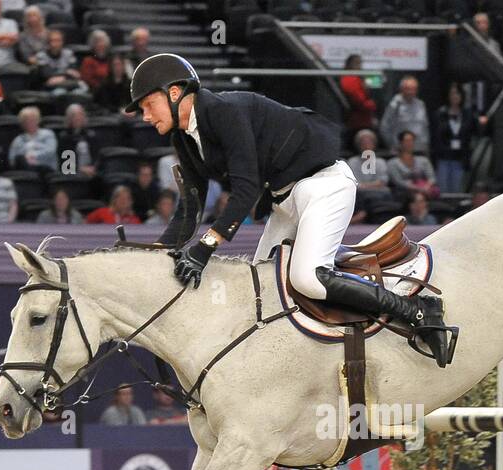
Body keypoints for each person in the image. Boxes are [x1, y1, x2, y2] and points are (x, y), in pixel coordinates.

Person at [127, 53, 453, 366]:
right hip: (287, 200)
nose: (145, 116)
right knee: (261, 290)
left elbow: (246, 188)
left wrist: (206, 246)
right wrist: (158, 252)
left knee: (308, 278)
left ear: (174, 92)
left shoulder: (223, 111)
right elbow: (191, 203)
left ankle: (418, 310)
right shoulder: (185, 137)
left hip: (325, 185)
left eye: (148, 105)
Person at [432, 83, 477, 194]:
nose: (455, 96)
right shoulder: (440, 113)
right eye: (452, 93)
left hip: (460, 158)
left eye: (457, 93)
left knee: (458, 190)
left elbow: (473, 133)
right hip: (444, 157)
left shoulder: (468, 114)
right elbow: (436, 136)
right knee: (443, 190)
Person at [378, 75, 430, 154]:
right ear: (401, 89)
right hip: (400, 149)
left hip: (419, 149)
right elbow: (384, 127)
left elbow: (425, 127)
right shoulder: (394, 105)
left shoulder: (421, 104)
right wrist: (392, 145)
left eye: (414, 89)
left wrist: (426, 145)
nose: (411, 92)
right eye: (408, 89)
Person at [386, 129, 438, 200]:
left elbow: (432, 178)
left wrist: (426, 187)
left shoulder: (424, 160)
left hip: (426, 191)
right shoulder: (392, 163)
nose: (410, 143)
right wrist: (418, 189)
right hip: (404, 193)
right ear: (400, 143)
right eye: (407, 141)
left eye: (412, 140)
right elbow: (398, 182)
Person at [7, 104, 57, 172]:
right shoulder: (18, 140)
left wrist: (32, 156)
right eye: (26, 121)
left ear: (38, 120)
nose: (29, 123)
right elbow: (12, 159)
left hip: (46, 169)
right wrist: (25, 159)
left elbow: (50, 151)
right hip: (26, 172)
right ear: (22, 123)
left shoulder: (48, 134)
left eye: (33, 120)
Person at [339, 53, 376, 140]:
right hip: (357, 122)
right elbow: (359, 100)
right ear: (350, 64)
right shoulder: (349, 79)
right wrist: (372, 104)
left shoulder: (357, 78)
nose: (360, 66)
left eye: (360, 63)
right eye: (357, 63)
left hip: (364, 120)